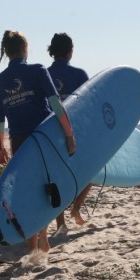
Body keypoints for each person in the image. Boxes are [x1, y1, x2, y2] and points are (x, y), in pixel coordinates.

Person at [0, 30, 76, 262]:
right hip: (44, 137)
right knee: (47, 187)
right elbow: (56, 104)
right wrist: (69, 135)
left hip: (19, 143)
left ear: (7, 52)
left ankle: (38, 246)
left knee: (29, 191)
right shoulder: (38, 70)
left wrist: (0, 148)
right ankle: (40, 246)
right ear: (25, 49)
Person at [47, 33, 91, 232]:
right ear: (70, 51)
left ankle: (61, 223)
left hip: (50, 134)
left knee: (56, 178)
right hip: (75, 133)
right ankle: (76, 209)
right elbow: (90, 104)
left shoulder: (44, 74)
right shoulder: (79, 74)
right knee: (90, 173)